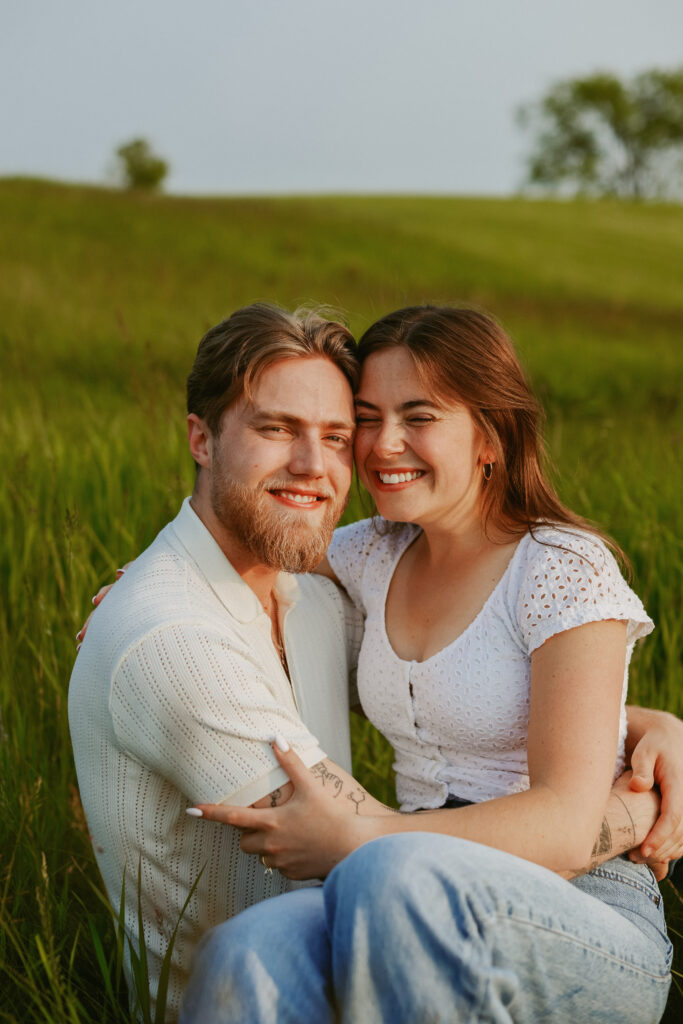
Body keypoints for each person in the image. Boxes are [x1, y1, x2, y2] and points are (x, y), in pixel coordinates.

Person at [182, 306, 679, 1023]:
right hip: (399, 889)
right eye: (367, 417)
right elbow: (251, 535)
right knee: (246, 948)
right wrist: (164, 580)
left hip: (581, 911)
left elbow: (570, 829)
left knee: (389, 873)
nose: (384, 445)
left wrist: (358, 837)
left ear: (488, 437)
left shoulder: (560, 570)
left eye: (417, 418)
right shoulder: (371, 552)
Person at [69, 303, 395, 1022]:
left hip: (345, 974)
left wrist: (627, 721)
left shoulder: (304, 597)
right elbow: (377, 861)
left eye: (336, 438)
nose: (312, 466)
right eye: (276, 429)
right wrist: (596, 822)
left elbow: (436, 691)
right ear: (202, 439)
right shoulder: (168, 636)